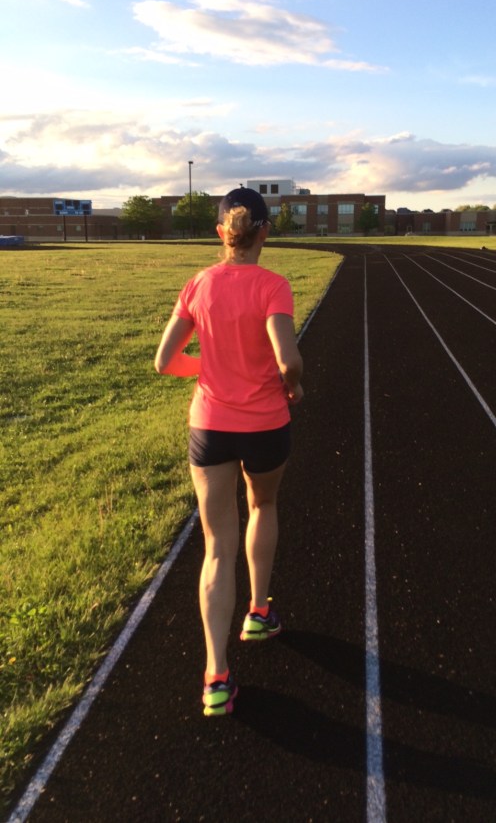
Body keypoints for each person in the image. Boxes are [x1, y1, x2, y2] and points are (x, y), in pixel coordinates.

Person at [154, 187, 303, 717]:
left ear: (221, 233)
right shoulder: (273, 285)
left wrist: (210, 369)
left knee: (217, 544)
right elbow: (288, 358)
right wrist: (293, 384)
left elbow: (163, 360)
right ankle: (258, 613)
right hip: (266, 425)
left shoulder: (198, 284)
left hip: (211, 427)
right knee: (263, 506)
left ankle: (216, 675)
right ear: (264, 232)